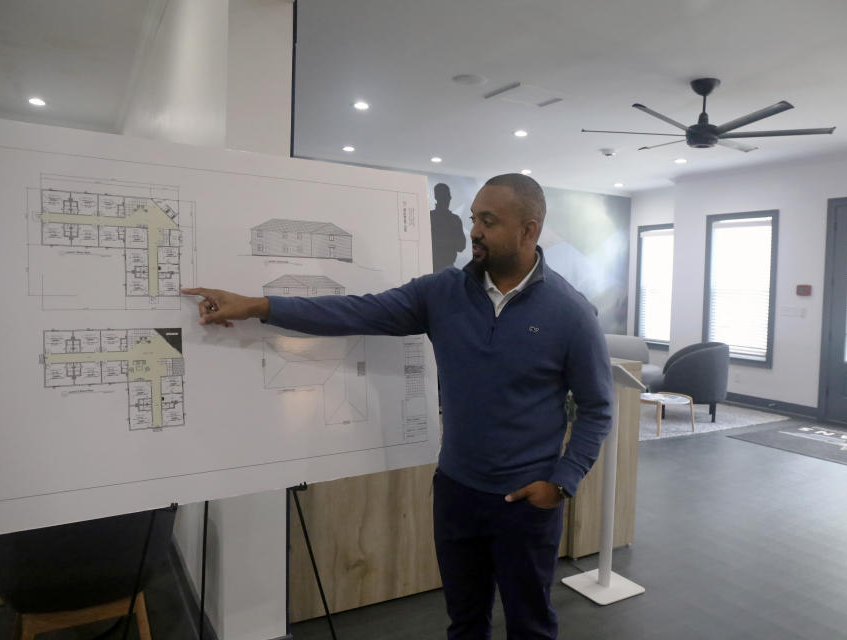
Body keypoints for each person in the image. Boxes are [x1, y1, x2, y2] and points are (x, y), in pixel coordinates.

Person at [183, 173, 613, 640]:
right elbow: (354, 311)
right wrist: (255, 306)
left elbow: (596, 409)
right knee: (465, 623)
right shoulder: (443, 293)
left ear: (528, 231)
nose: (474, 232)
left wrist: (561, 483)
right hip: (457, 494)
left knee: (531, 626)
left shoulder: (570, 314)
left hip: (526, 505)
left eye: (488, 221)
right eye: (474, 219)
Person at [429, 182, 467, 273]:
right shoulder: (454, 220)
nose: (449, 198)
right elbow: (461, 246)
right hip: (438, 268)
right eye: (446, 195)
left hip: (440, 268)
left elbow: (461, 246)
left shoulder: (429, 217)